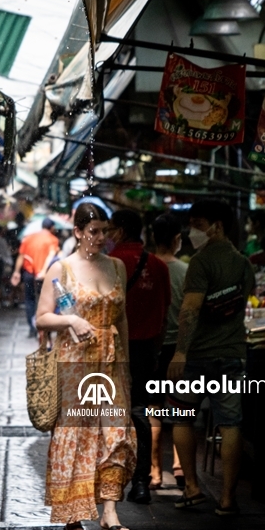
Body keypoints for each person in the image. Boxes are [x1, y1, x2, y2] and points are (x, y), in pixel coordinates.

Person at [36, 203, 137, 530]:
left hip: (111, 360)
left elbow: (121, 318)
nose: (100, 238)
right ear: (78, 232)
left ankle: (109, 510)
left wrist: (127, 365)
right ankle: (73, 512)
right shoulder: (60, 269)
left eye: (104, 232)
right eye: (93, 232)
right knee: (77, 434)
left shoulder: (118, 267)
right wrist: (71, 319)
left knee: (115, 431)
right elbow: (42, 317)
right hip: (75, 362)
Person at [167, 200, 255, 517]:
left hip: (199, 357)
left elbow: (190, 310)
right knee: (231, 423)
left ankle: (192, 487)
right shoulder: (243, 264)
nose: (193, 230)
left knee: (182, 416)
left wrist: (180, 351)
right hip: (232, 354)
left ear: (217, 225)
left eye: (199, 223)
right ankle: (228, 499)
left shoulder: (200, 263)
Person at [107, 209, 171, 505]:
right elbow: (165, 314)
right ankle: (141, 481)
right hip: (146, 352)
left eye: (108, 229)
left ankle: (112, 479)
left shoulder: (107, 264)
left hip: (111, 351)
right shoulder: (158, 265)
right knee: (141, 413)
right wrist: (156, 350)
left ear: (119, 230)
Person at [149, 213, 187, 490]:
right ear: (177, 239)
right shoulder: (186, 271)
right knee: (180, 409)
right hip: (180, 349)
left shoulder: (146, 267)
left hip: (152, 347)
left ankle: (154, 471)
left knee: (153, 410)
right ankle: (179, 465)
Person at [11, 218, 60, 338]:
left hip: (29, 273)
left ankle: (32, 328)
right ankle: (44, 327)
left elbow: (21, 256)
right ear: (51, 228)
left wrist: (16, 272)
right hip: (45, 275)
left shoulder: (28, 238)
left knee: (29, 300)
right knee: (46, 300)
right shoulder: (53, 239)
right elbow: (51, 255)